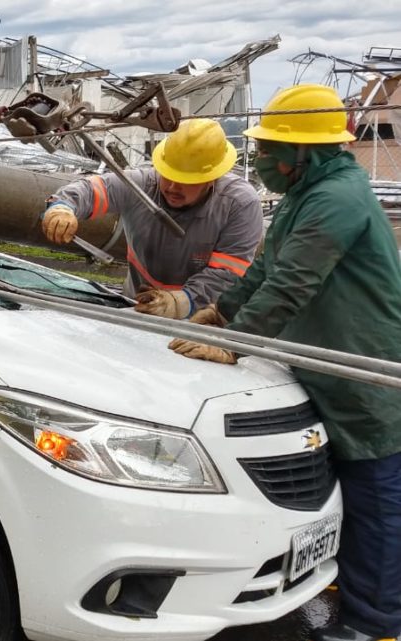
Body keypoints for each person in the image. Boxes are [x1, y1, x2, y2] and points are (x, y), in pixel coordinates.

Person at [169, 84, 401, 641]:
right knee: (346, 488)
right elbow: (266, 268)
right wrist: (221, 313)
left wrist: (236, 342)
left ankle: (377, 622)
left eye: (272, 147)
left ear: (304, 151)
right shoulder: (307, 193)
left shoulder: (337, 198)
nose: (264, 158)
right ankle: (357, 585)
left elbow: (294, 282)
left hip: (363, 362)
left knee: (376, 492)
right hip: (326, 360)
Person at [41, 118, 263, 318]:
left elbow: (226, 275)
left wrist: (179, 302)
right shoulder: (141, 185)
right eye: (169, 175)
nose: (173, 187)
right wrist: (62, 208)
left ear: (212, 178)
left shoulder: (239, 205)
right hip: (137, 306)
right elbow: (91, 190)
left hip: (203, 317)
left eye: (187, 180)